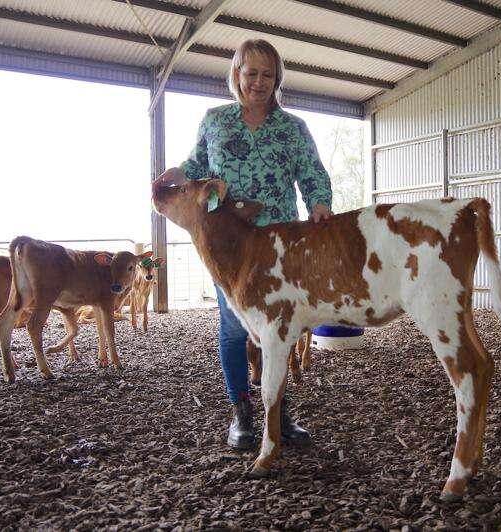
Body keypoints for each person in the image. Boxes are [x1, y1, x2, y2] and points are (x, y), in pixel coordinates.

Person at [155, 39, 333, 450]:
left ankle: (280, 411)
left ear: (277, 79)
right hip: (229, 247)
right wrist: (172, 174)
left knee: (279, 331)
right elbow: (196, 167)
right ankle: (242, 414)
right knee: (235, 330)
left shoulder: (293, 129)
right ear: (236, 75)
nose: (258, 81)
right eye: (250, 72)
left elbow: (312, 174)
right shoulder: (215, 121)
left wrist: (320, 203)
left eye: (266, 74)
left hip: (280, 247)